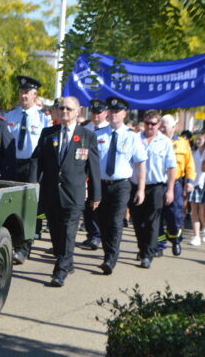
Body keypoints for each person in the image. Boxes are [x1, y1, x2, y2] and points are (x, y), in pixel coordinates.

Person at [30, 96, 101, 287]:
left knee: (69, 232)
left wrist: (96, 195)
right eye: (61, 108)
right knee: (56, 233)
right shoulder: (48, 133)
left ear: (78, 112)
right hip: (51, 192)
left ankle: (59, 271)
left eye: (69, 109)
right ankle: (67, 261)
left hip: (74, 194)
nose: (64, 112)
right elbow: (37, 160)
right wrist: (32, 185)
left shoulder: (87, 136)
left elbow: (93, 168)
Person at [94, 96, 147, 275]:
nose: (113, 114)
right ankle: (107, 251)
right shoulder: (98, 134)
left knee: (116, 221)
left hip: (121, 185)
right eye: (111, 111)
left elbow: (140, 164)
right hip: (101, 184)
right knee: (102, 220)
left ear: (124, 113)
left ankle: (110, 258)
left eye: (117, 111)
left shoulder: (132, 137)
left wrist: (140, 189)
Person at [4, 75, 52, 264]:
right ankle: (12, 243)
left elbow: (47, 146)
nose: (23, 96)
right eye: (22, 92)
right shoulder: (11, 115)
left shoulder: (43, 117)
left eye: (27, 92)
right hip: (12, 164)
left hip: (33, 164)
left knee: (29, 207)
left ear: (35, 95)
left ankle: (25, 247)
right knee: (11, 205)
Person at [128, 110, 176, 269]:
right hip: (135, 186)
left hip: (156, 187)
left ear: (159, 124)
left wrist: (170, 190)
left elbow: (171, 168)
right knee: (138, 221)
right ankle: (143, 248)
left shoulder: (165, 142)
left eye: (153, 124)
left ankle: (148, 254)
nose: (149, 126)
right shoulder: (135, 138)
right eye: (147, 123)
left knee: (152, 221)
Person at [156, 114, 196, 256]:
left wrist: (190, 181)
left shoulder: (182, 143)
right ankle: (159, 245)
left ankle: (175, 238)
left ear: (173, 127)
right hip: (158, 183)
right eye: (160, 125)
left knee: (175, 215)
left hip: (176, 183)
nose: (161, 128)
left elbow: (190, 163)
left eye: (164, 125)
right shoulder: (156, 141)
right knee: (157, 215)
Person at [80, 98, 109, 251]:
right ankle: (92, 235)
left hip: (103, 175)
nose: (96, 115)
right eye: (93, 112)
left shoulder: (110, 130)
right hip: (86, 173)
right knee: (88, 207)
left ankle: (99, 236)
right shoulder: (84, 128)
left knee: (100, 207)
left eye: (99, 112)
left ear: (105, 113)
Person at [187, 131, 205, 246]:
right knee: (194, 211)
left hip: (204, 184)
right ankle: (196, 236)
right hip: (194, 184)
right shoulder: (193, 152)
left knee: (202, 211)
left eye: (200, 139)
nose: (198, 141)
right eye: (197, 139)